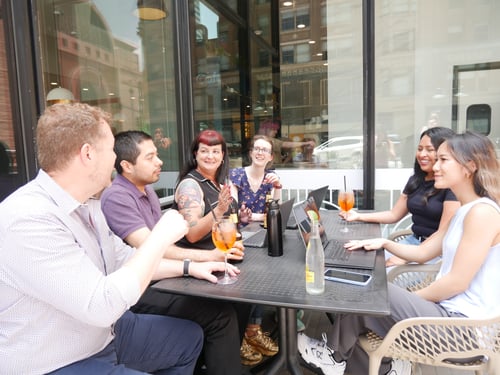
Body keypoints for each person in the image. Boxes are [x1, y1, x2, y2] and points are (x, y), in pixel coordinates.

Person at [0, 103, 239, 374]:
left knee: (189, 338)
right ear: (87, 154)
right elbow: (100, 306)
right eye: (112, 150)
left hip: (103, 335)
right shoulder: (28, 219)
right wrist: (160, 238)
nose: (116, 159)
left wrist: (190, 267)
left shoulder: (88, 204)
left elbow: (125, 259)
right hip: (54, 361)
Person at [298, 131, 500, 375]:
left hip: (464, 332)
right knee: (370, 292)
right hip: (448, 316)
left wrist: (411, 300)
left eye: (443, 160)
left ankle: (335, 356)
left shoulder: (482, 214)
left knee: (371, 292)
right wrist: (384, 243)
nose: (435, 165)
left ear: (470, 167)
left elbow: (457, 282)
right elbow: (424, 251)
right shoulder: (464, 212)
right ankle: (384, 366)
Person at [100, 130, 244, 375]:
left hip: (162, 275)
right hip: (139, 290)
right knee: (220, 315)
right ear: (126, 165)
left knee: (234, 300)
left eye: (157, 155)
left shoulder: (147, 193)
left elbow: (164, 247)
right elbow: (153, 248)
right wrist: (207, 257)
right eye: (151, 157)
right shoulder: (116, 198)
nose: (160, 162)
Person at [172, 129, 252, 357]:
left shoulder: (217, 183)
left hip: (226, 261)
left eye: (215, 151)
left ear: (223, 155)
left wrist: (240, 220)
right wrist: (219, 209)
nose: (210, 156)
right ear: (195, 154)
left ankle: (232, 353)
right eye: (204, 151)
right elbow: (193, 234)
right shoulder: (190, 185)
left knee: (249, 301)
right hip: (203, 270)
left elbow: (226, 223)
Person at [341, 127, 460, 267]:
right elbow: (393, 214)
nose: (422, 154)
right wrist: (358, 216)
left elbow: (442, 236)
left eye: (429, 149)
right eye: (420, 149)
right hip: (412, 242)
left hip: (435, 254)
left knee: (382, 274)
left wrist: (405, 258)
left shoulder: (452, 186)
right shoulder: (416, 180)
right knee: (360, 261)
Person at [229, 135, 282, 365]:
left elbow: (277, 212)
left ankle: (253, 329)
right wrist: (244, 217)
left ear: (270, 157)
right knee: (254, 274)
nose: (260, 153)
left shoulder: (273, 179)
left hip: (261, 235)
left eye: (265, 150)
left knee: (268, 269)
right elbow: (232, 212)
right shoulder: (236, 176)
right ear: (250, 153)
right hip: (237, 237)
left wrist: (278, 189)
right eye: (257, 149)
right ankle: (247, 332)